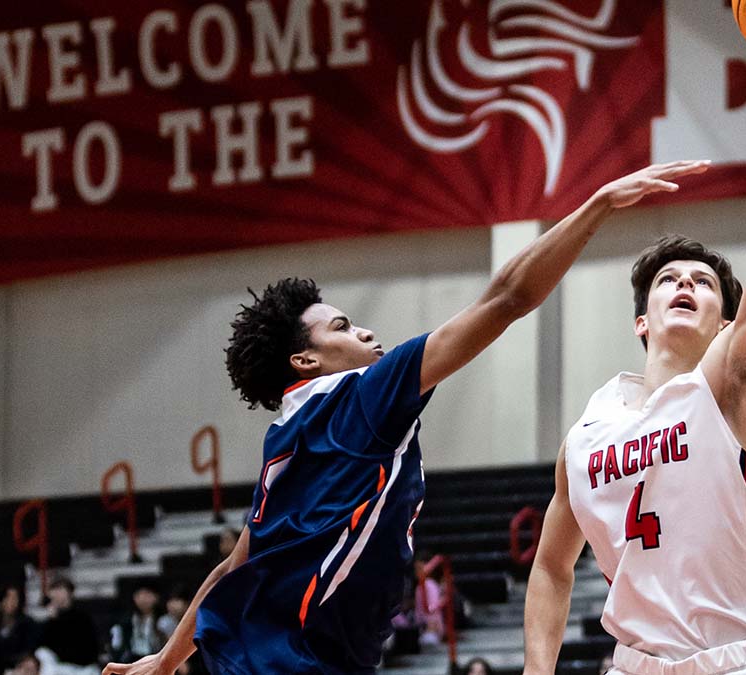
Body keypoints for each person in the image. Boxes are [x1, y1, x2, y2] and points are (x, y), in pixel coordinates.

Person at [102, 159, 710, 675]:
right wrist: (599, 203)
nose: (365, 330)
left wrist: (165, 657)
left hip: (278, 654)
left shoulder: (285, 437)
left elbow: (236, 566)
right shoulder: (363, 396)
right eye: (340, 326)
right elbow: (507, 299)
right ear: (305, 358)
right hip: (289, 660)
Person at [523, 12, 746, 675]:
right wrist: (538, 669)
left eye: (704, 282)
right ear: (641, 320)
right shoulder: (587, 436)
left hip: (730, 662)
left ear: (726, 320)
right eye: (669, 279)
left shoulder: (734, 382)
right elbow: (548, 565)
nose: (685, 282)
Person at [39, 577, 100, 669]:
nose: (56, 594)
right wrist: (52, 621)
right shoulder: (51, 621)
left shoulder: (82, 618)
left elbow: (87, 647)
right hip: (59, 666)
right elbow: (45, 646)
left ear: (69, 592)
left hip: (81, 666)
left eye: (60, 590)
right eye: (54, 590)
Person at [110, 583, 166, 663]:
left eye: (147, 595)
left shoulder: (162, 620)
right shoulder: (126, 621)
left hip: (155, 658)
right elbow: (117, 644)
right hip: (132, 658)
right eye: (140, 595)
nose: (143, 599)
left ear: (156, 597)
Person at [0, 584, 39, 671]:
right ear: (1, 600)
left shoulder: (28, 623)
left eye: (15, 598)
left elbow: (29, 650)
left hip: (19, 666)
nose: (11, 602)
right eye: (7, 597)